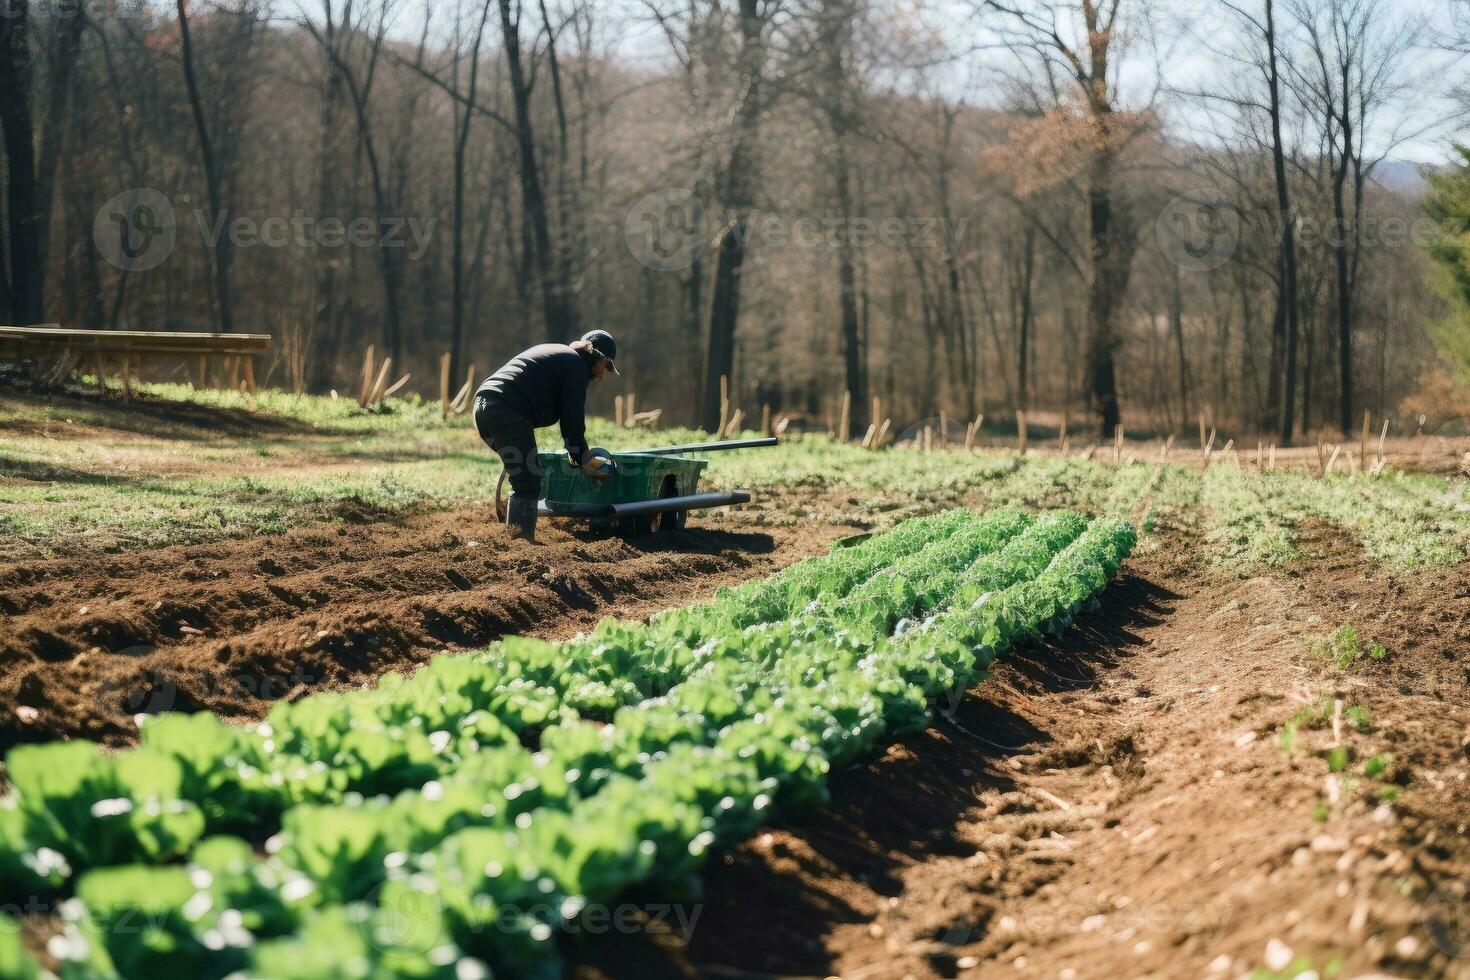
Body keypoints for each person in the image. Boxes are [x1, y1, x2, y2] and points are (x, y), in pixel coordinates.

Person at [473, 330, 619, 542]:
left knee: (524, 472)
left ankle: (516, 538)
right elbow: (572, 419)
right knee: (527, 480)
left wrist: (576, 453)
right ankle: (519, 545)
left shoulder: (562, 357)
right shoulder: (576, 367)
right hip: (503, 407)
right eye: (604, 366)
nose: (602, 375)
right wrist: (583, 458)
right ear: (598, 357)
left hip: (484, 406)